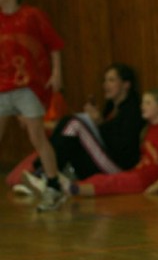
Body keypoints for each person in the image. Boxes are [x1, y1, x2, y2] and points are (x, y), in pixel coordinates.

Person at [0, 0, 66, 211]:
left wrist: (57, 73)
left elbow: (54, 44)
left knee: (36, 136)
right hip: (2, 86)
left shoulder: (32, 16)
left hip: (28, 86)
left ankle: (54, 187)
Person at [24, 63, 145, 192]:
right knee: (69, 123)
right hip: (101, 160)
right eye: (105, 80)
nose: (105, 85)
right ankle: (46, 172)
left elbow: (122, 147)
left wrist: (99, 123)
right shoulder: (110, 107)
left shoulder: (133, 110)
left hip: (117, 167)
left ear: (126, 85)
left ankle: (45, 172)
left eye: (111, 80)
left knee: (74, 124)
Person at [65, 88, 158, 197]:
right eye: (143, 103)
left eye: (148, 103)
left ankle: (72, 189)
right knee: (102, 178)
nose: (143, 106)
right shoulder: (149, 129)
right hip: (140, 174)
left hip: (149, 179)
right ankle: (67, 187)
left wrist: (156, 187)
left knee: (112, 183)